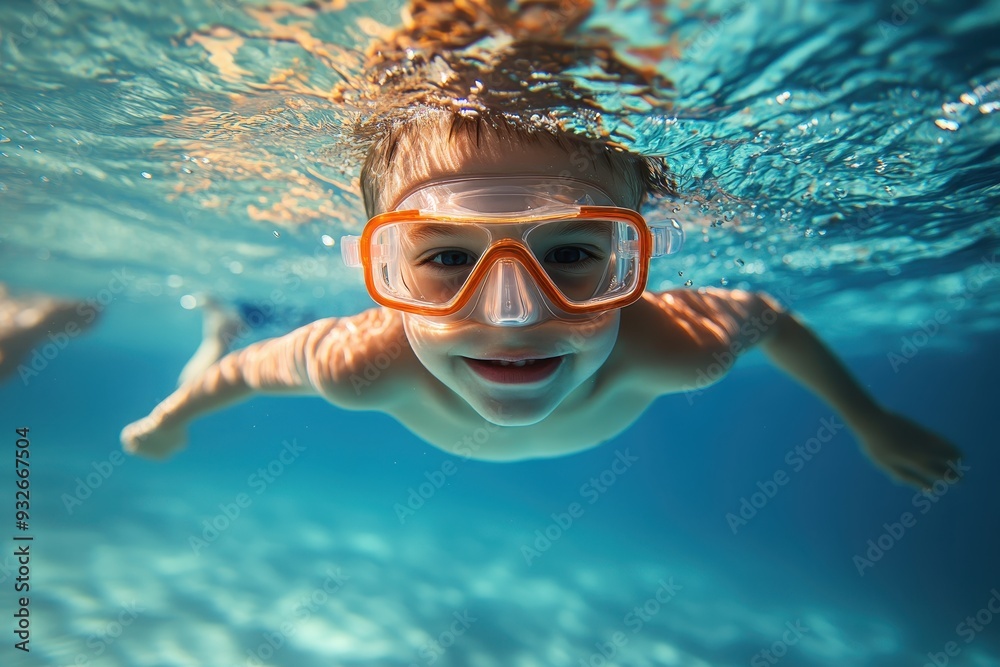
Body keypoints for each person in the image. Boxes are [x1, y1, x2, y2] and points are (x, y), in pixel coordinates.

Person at [121, 108, 961, 489]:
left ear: (635, 257)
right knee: (232, 348)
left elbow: (771, 316)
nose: (515, 313)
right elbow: (236, 379)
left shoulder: (675, 343)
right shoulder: (362, 363)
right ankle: (218, 322)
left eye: (570, 253)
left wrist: (869, 418)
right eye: (446, 257)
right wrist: (172, 416)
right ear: (378, 274)